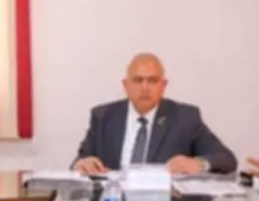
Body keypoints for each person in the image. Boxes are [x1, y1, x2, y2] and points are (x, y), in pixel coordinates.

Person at [73, 52, 237, 175]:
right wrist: (82, 164)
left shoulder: (185, 118)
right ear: (126, 85)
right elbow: (79, 161)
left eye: (152, 80)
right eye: (138, 80)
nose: (145, 88)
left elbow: (226, 159)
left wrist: (198, 164)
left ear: (163, 86)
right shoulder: (103, 117)